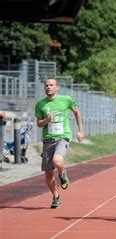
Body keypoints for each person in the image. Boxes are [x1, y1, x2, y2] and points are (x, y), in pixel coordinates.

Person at [35, 77, 84, 208]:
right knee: (48, 173)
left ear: (57, 88)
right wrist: (46, 120)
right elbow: (39, 124)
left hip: (63, 137)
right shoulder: (41, 104)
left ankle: (62, 174)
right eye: (46, 85)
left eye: (51, 85)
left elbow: (77, 112)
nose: (48, 87)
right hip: (48, 139)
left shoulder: (66, 99)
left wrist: (80, 130)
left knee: (57, 161)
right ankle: (56, 196)